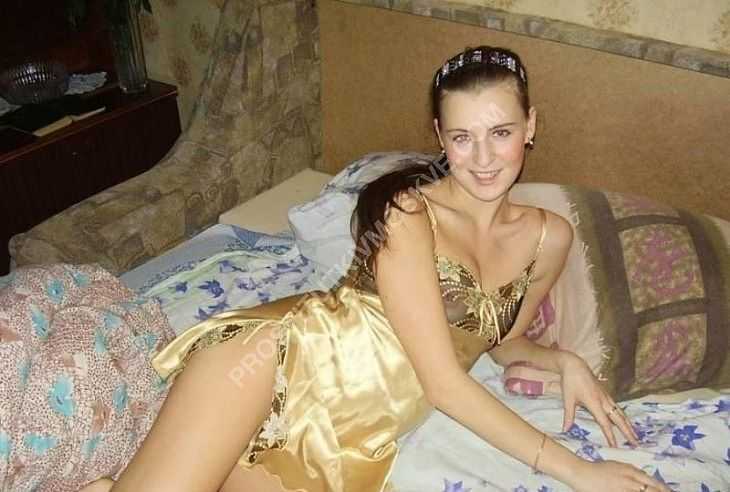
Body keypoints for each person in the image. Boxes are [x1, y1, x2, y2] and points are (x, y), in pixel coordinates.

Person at [85, 46, 669, 492]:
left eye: (501, 133)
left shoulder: (550, 237)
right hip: (270, 368)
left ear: (531, 126)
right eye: (462, 137)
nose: (484, 158)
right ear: (440, 137)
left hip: (345, 439)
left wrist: (562, 361)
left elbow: (500, 341)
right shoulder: (409, 213)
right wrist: (577, 470)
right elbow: (444, 384)